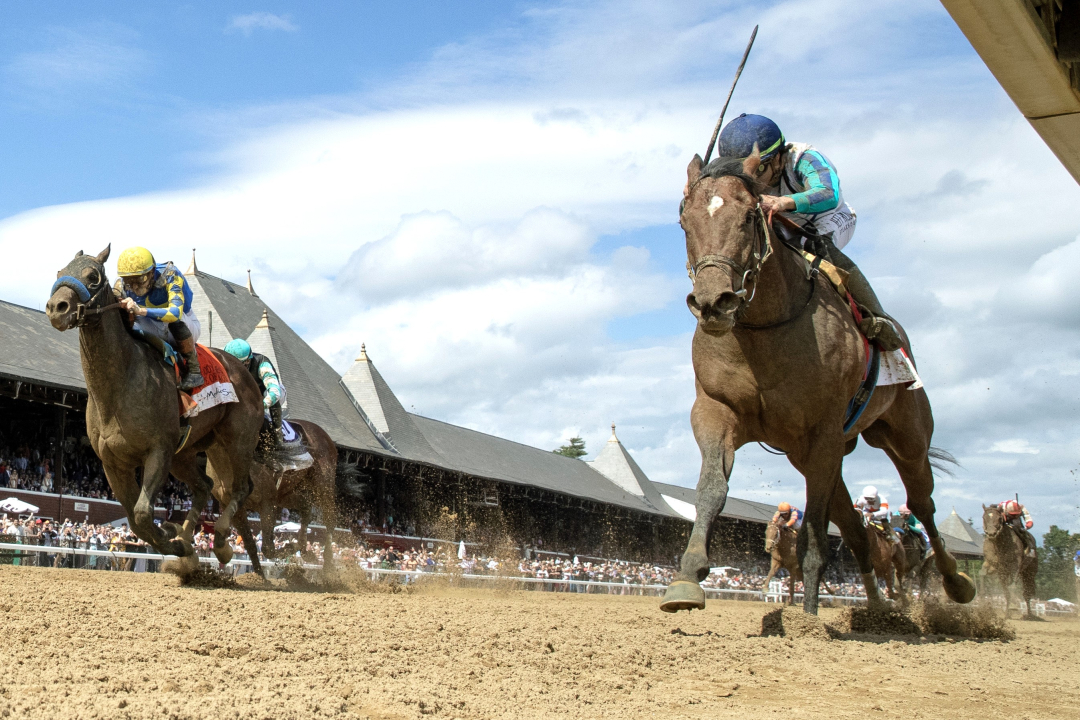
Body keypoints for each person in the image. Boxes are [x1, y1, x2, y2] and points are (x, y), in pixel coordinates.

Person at [713, 114, 903, 351]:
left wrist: (784, 202)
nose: (752, 179)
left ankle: (877, 317)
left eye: (759, 169)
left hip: (828, 217)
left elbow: (828, 193)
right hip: (782, 223)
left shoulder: (805, 159)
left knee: (816, 245)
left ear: (779, 157)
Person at [114, 247, 203, 391]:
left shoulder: (171, 275)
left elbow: (175, 313)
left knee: (174, 321)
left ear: (152, 271)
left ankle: (194, 370)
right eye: (130, 281)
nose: (135, 287)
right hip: (150, 325)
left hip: (184, 324)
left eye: (140, 279)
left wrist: (140, 310)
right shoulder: (121, 285)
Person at [221, 338, 286, 450]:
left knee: (269, 394)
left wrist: (262, 405)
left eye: (241, 364)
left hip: (268, 392)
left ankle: (278, 433)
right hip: (246, 394)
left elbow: (274, 392)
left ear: (248, 360)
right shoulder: (224, 363)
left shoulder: (262, 362)